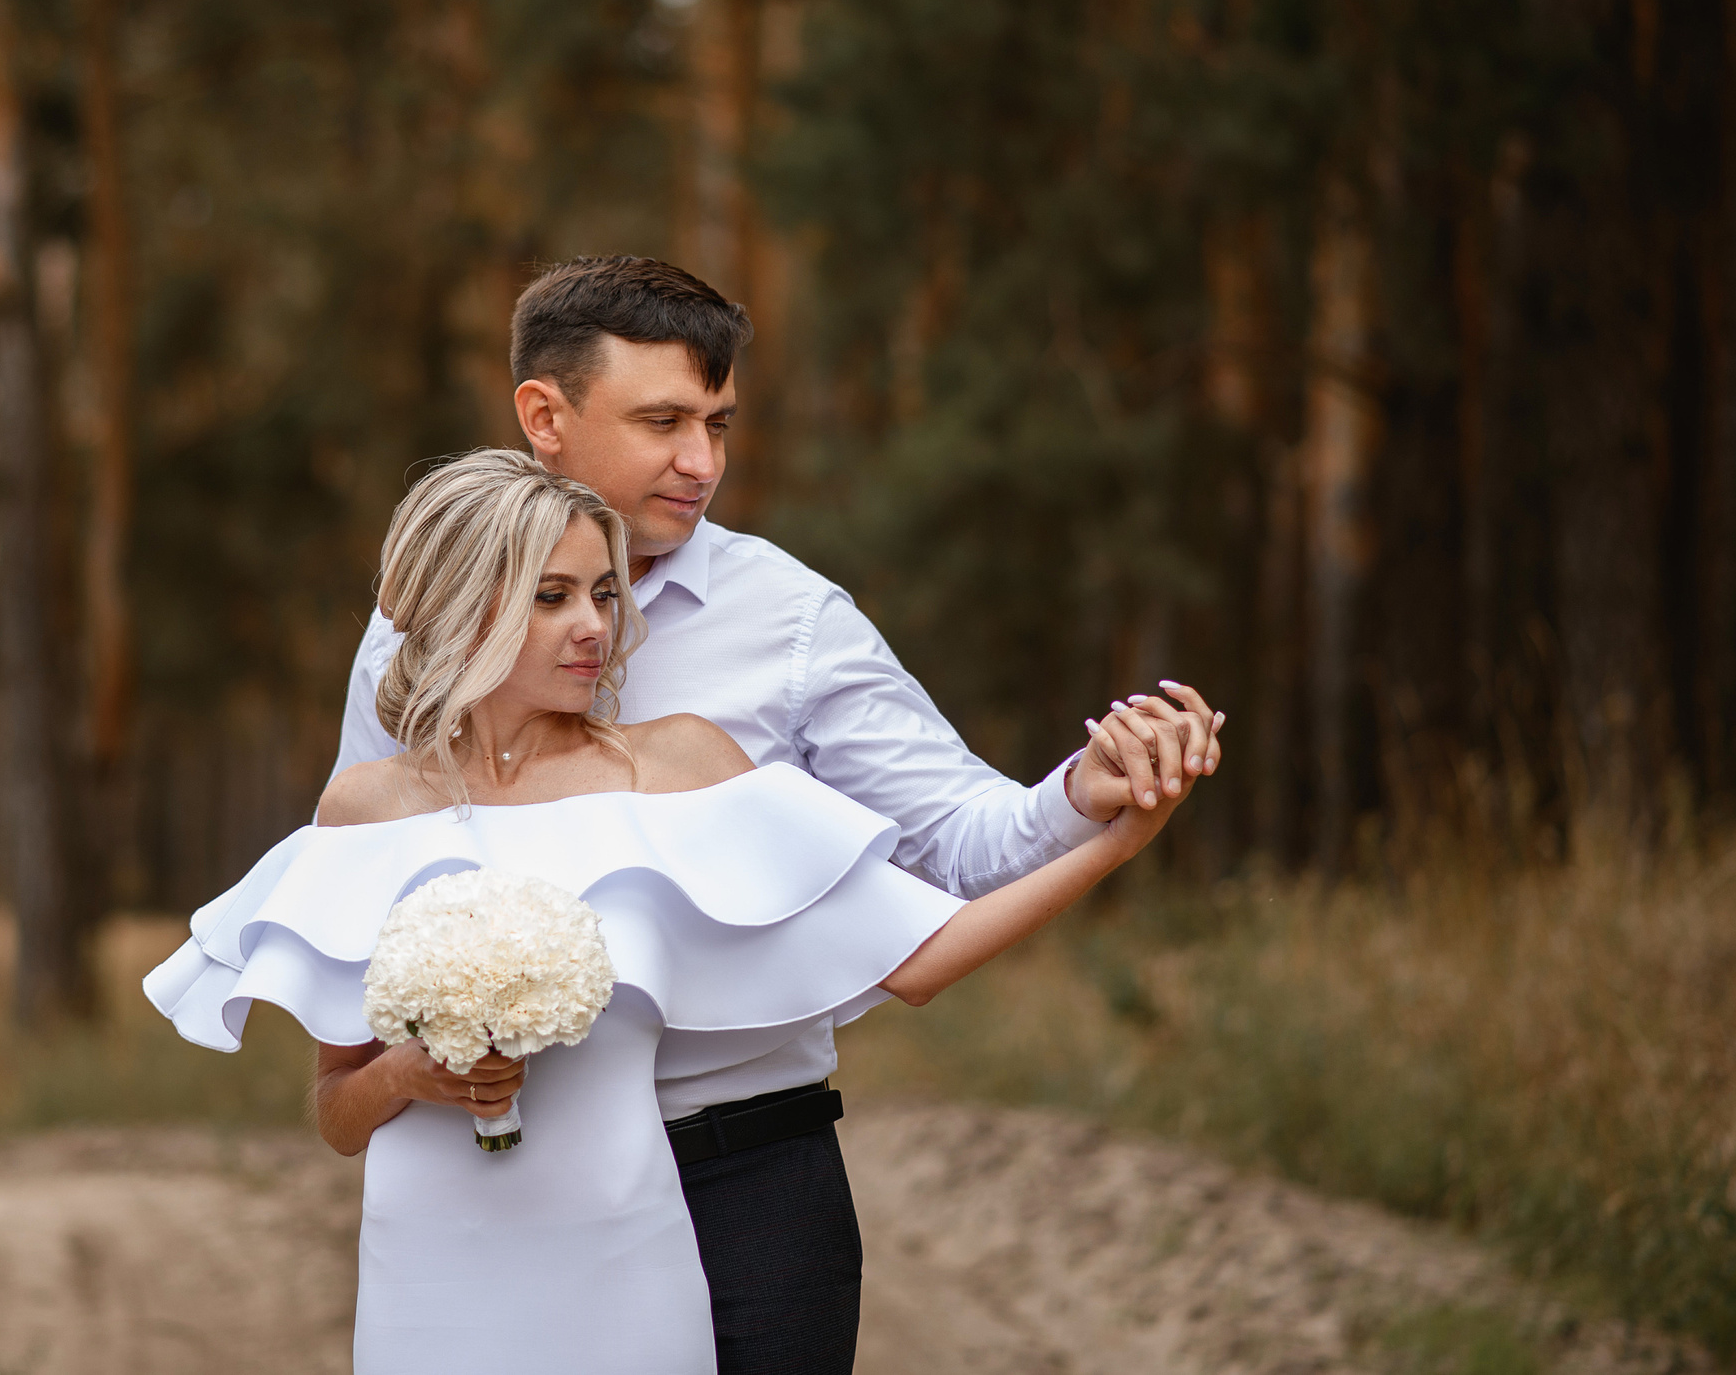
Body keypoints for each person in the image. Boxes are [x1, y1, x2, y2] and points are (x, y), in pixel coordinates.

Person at [327, 255, 1225, 1372]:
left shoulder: (789, 623)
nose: (701, 462)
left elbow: (954, 855)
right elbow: (371, 937)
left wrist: (1092, 799)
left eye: (719, 423)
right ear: (542, 414)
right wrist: (419, 1068)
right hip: (489, 1179)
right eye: (662, 421)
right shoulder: (413, 633)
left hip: (745, 1173)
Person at [146, 451, 1190, 1375]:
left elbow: (920, 960)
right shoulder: (364, 808)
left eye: (603, 593)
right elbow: (337, 1115)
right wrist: (413, 1074)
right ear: (464, 609)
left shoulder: (677, 769)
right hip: (431, 1266)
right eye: (551, 596)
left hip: (624, 1253)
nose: (594, 626)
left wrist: (1116, 840)